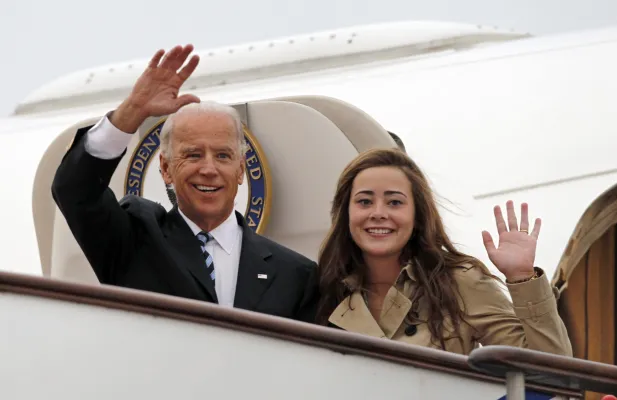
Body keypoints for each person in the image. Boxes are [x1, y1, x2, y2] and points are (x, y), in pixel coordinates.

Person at [51, 44, 318, 322]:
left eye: (223, 156)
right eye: (193, 155)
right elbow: (74, 189)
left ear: (240, 170)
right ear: (166, 169)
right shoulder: (134, 242)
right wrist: (132, 111)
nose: (209, 169)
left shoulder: (295, 275)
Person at [315, 148, 572, 356]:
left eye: (394, 202)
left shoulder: (459, 281)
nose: (378, 213)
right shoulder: (323, 289)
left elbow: (549, 370)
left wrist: (522, 278)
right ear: (346, 213)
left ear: (417, 215)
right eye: (364, 201)